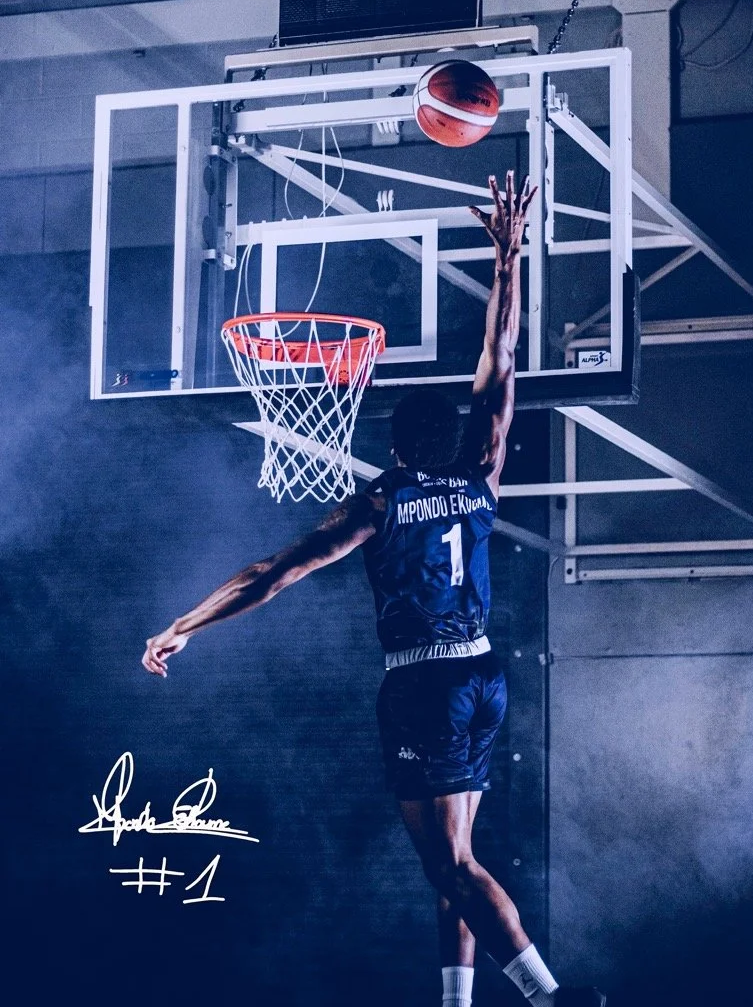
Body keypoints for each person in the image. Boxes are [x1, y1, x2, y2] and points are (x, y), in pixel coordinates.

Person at [142, 171, 605, 1007]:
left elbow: (271, 576)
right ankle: (457, 1000)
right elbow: (499, 363)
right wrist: (508, 260)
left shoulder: (381, 502)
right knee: (454, 853)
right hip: (481, 674)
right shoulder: (481, 474)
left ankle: (551, 998)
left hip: (424, 683)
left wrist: (184, 624)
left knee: (451, 863)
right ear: (452, 435)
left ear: (392, 447)